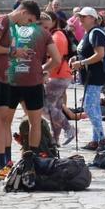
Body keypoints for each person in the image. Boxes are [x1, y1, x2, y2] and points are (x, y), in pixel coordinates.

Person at [0, 1, 36, 181]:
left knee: (2, 120)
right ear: (23, 12)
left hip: (3, 76)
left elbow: (6, 51)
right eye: (29, 20)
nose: (28, 25)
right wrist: (13, 51)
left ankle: (1, 164)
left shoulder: (12, 27)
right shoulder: (2, 21)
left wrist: (19, 53)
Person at [5, 3, 60, 156]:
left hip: (11, 79)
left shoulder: (13, 29)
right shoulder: (44, 34)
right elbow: (56, 59)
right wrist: (42, 68)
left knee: (5, 123)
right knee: (34, 123)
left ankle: (6, 159)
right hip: (33, 81)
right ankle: (32, 157)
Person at [71, 7, 105, 151]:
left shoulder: (96, 33)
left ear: (92, 18)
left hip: (95, 75)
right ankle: (95, 140)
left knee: (88, 107)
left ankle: (102, 138)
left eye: (84, 16)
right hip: (90, 76)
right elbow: (85, 53)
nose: (80, 19)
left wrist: (81, 63)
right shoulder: (88, 33)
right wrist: (76, 59)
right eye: (79, 16)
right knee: (94, 108)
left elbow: (100, 54)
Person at [42, 13, 76, 143]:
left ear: (53, 22)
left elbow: (55, 59)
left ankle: (69, 129)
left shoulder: (56, 37)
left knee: (46, 107)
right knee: (55, 108)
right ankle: (54, 139)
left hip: (58, 75)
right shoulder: (59, 34)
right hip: (62, 74)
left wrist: (43, 70)